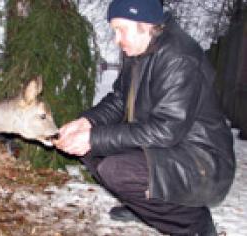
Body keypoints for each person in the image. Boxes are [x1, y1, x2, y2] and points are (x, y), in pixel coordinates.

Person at [53, 0, 236, 235]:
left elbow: (166, 130)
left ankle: (195, 223)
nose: (116, 40)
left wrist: (94, 136)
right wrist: (87, 123)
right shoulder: (140, 51)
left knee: (117, 169)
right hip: (171, 148)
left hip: (202, 160)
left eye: (120, 30)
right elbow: (119, 98)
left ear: (145, 24)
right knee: (89, 148)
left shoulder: (179, 58)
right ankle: (144, 206)